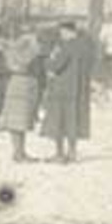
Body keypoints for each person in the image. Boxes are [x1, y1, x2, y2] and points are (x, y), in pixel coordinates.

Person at [40, 20, 92, 163]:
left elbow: (55, 66)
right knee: (73, 122)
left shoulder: (66, 46)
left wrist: (49, 61)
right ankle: (73, 153)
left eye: (62, 32)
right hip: (78, 91)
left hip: (62, 90)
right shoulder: (84, 47)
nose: (60, 35)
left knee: (59, 122)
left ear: (68, 31)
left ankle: (59, 154)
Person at [0, 32, 43, 163]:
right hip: (23, 86)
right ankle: (19, 153)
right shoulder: (24, 57)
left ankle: (19, 152)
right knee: (19, 122)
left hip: (17, 85)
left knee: (18, 122)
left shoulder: (12, 55)